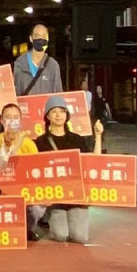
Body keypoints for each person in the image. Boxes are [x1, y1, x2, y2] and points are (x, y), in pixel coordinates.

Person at [35, 96, 105, 243]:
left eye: (62, 111)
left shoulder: (77, 139)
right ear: (47, 116)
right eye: (54, 111)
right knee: (60, 235)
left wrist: (98, 136)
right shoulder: (40, 142)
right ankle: (48, 222)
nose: (58, 115)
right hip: (55, 197)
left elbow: (94, 162)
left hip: (77, 197)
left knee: (80, 237)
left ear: (67, 115)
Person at [0, 102, 43, 241]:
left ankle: (29, 229)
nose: (12, 120)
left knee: (37, 208)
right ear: (1, 120)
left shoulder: (29, 143)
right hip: (2, 189)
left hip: (25, 190)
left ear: (21, 120)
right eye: (8, 117)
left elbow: (36, 170)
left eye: (15, 117)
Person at [12, 23, 62, 96]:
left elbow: (58, 94)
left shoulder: (53, 65)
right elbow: (16, 93)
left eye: (44, 36)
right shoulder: (20, 64)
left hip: (45, 107)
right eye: (37, 36)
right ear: (31, 38)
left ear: (47, 39)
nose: (41, 39)